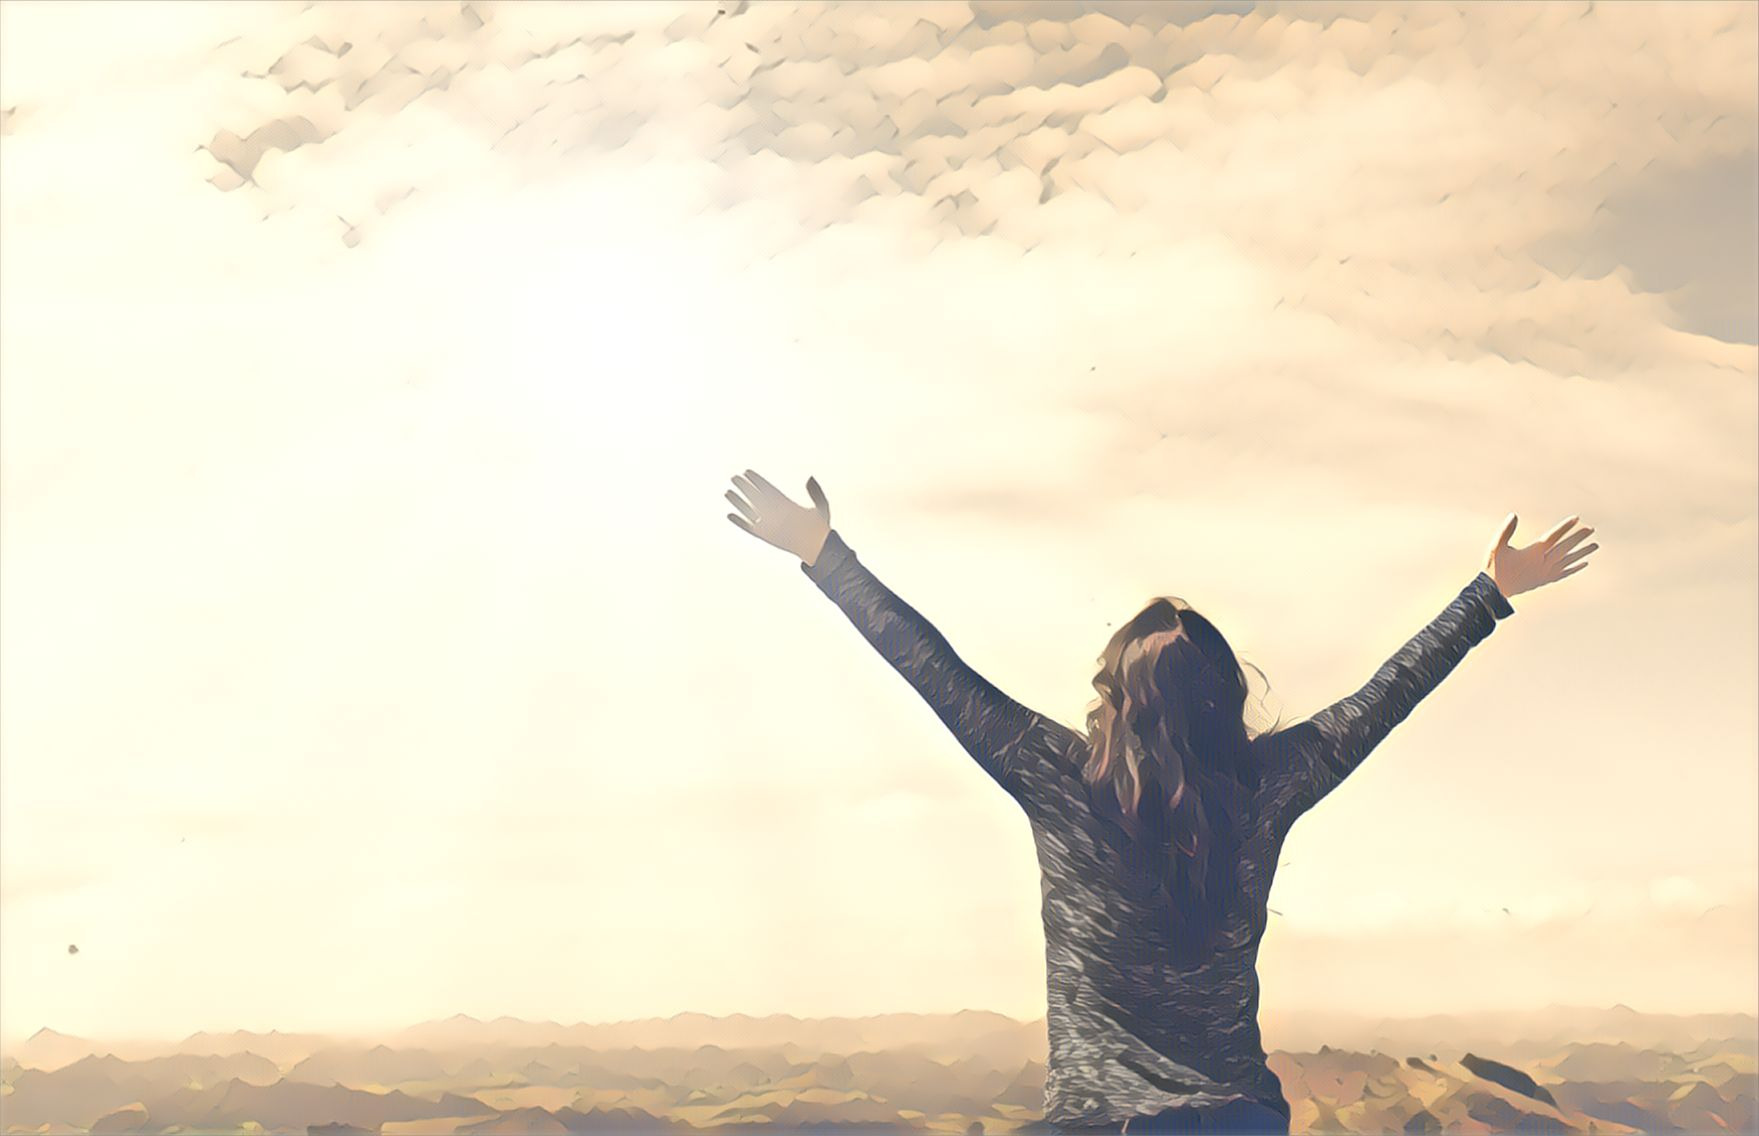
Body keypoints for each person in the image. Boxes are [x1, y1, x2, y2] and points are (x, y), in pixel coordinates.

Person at [724, 470, 1597, 1135]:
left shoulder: (1056, 775)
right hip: (1236, 1119)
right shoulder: (1267, 784)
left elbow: (934, 671)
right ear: (1224, 694)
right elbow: (1385, 694)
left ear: (1111, 698)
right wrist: (1488, 593)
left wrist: (824, 556)